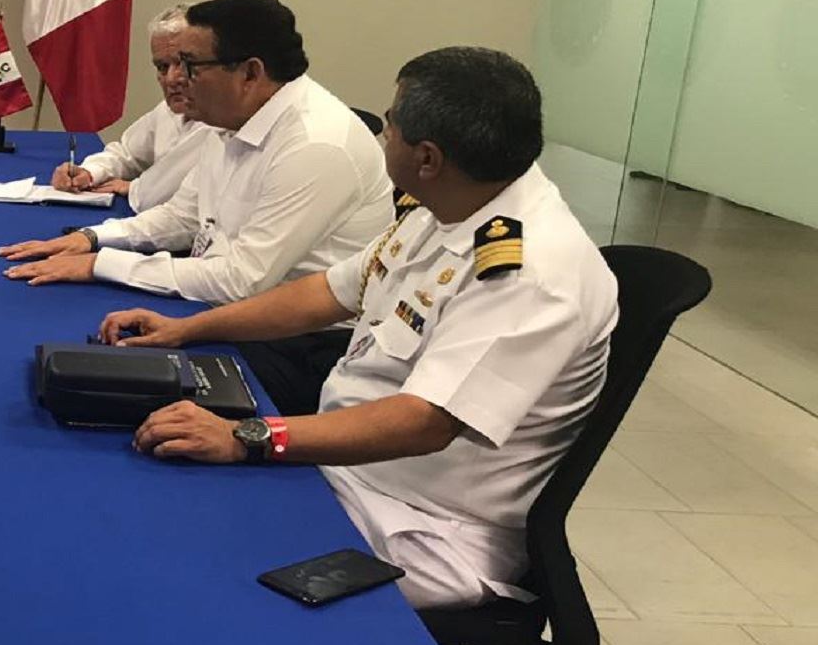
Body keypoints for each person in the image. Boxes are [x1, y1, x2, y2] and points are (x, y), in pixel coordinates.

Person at [102, 47, 618, 611]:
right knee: (150, 490)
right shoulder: (446, 205)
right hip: (349, 471)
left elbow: (423, 423)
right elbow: (326, 293)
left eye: (391, 123)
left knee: (182, 568)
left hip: (419, 528)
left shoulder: (531, 272)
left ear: (427, 158)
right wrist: (187, 329)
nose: (383, 132)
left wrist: (247, 437)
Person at [1, 0, 392, 409]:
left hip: (298, 343)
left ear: (249, 73)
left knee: (118, 391)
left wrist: (103, 265)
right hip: (227, 308)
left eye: (191, 66)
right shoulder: (234, 118)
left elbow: (243, 281)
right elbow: (182, 216)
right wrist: (92, 239)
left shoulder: (316, 145)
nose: (178, 79)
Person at [49, 4, 208, 212]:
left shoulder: (223, 124)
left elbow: (159, 197)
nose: (171, 78)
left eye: (183, 64)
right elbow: (126, 153)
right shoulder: (167, 111)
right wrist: (89, 172)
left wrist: (135, 188)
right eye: (162, 67)